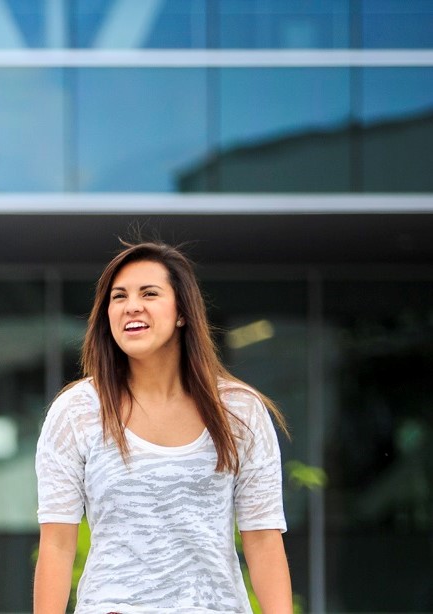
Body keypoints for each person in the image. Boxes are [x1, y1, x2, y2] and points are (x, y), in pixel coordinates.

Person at [32, 242, 292, 614]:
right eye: (118, 296)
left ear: (182, 312)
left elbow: (264, 540)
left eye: (149, 293)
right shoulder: (76, 411)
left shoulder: (239, 411)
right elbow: (57, 544)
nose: (131, 305)